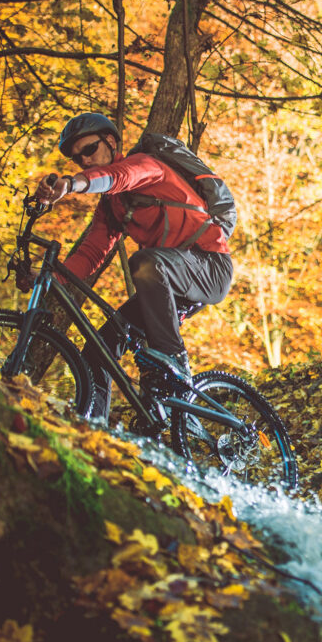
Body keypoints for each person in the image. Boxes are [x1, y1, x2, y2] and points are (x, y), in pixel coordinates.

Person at [32, 112, 233, 421]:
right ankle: (96, 427)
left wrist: (72, 184)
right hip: (163, 285)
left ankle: (174, 362)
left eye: (89, 150)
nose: (84, 160)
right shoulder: (112, 207)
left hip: (208, 267)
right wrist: (48, 277)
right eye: (77, 159)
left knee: (145, 262)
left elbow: (118, 177)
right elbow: (91, 253)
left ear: (111, 142)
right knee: (97, 352)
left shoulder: (145, 166)